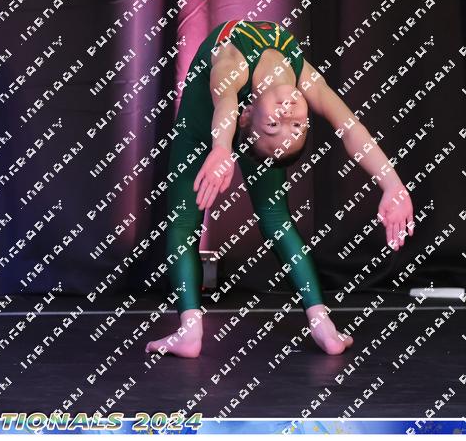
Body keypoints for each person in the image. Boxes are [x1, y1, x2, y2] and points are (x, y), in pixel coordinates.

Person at [144, 19, 414, 358]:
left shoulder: (238, 66)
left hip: (215, 133)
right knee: (185, 221)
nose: (288, 115)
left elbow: (348, 128)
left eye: (278, 124)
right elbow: (226, 101)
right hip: (203, 127)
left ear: (248, 115)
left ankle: (323, 326)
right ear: (247, 114)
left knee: (275, 219)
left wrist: (392, 185)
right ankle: (190, 331)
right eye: (293, 125)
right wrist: (222, 149)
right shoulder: (287, 74)